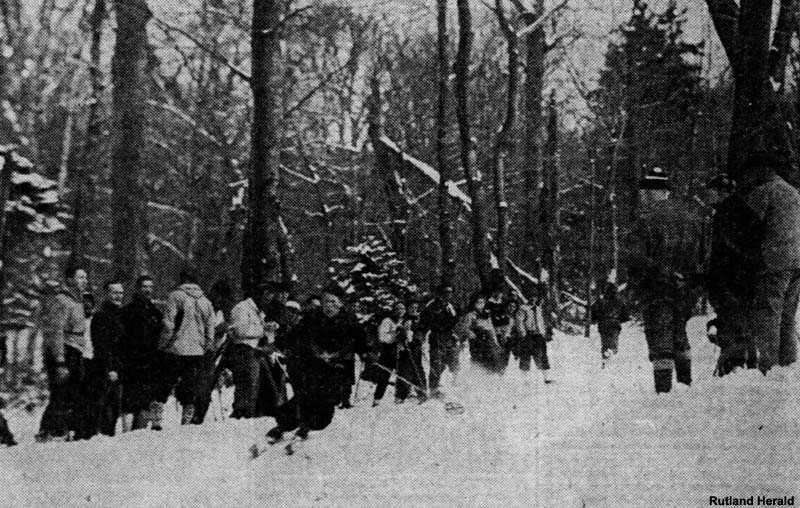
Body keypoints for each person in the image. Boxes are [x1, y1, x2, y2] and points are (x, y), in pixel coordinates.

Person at [626, 167, 705, 393]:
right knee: (680, 333)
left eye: (643, 193)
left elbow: (636, 258)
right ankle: (686, 386)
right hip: (686, 290)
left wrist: (646, 281)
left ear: (650, 193)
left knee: (660, 337)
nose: (641, 197)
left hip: (657, 289)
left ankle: (664, 393)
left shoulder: (645, 222)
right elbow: (702, 256)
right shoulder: (691, 219)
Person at [266, 283, 364, 442]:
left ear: (340, 303)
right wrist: (276, 340)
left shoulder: (350, 322)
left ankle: (307, 427)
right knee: (304, 396)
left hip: (337, 369)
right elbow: (295, 337)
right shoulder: (313, 318)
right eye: (325, 301)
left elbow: (361, 343)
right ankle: (282, 427)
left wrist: (369, 354)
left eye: (333, 302)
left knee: (326, 402)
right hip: (314, 366)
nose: (328, 306)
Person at [739, 149, 800, 373]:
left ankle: (769, 368)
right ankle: (788, 365)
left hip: (773, 263)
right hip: (796, 263)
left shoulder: (764, 192)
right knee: (788, 317)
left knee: (768, 317)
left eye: (751, 172)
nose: (748, 177)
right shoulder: (794, 192)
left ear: (761, 171)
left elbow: (747, 227)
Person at [705, 173, 760, 376]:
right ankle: (750, 363)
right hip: (745, 276)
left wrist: (716, 279)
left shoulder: (724, 213)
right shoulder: (745, 209)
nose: (708, 196)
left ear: (721, 192)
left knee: (731, 322)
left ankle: (732, 367)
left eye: (710, 192)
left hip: (729, 278)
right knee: (744, 322)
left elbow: (722, 250)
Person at [155, 269, 216, 425]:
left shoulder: (175, 296)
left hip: (176, 348)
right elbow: (211, 328)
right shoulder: (206, 302)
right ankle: (186, 418)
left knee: (165, 382)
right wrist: (207, 346)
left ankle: (157, 418)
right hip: (197, 350)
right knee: (190, 384)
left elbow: (169, 324)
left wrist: (162, 345)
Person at [37, 265, 90, 441]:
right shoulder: (62, 300)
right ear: (69, 280)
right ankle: (49, 431)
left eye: (85, 278)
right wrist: (60, 360)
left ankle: (65, 429)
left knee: (73, 392)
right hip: (65, 349)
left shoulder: (79, 300)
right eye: (80, 277)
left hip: (76, 348)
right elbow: (56, 331)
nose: (84, 281)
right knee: (61, 391)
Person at [119, 275, 164, 430]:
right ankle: (127, 433)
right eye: (145, 286)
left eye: (150, 287)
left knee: (146, 400)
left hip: (151, 363)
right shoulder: (127, 312)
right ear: (137, 288)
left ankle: (141, 433)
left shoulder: (156, 313)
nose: (148, 290)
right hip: (132, 362)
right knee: (130, 400)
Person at [192, 278, 235, 424]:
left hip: (212, 357)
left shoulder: (220, 312)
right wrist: (217, 331)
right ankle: (193, 421)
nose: (220, 301)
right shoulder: (202, 309)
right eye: (218, 297)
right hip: (199, 357)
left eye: (223, 298)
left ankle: (198, 420)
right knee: (199, 392)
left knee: (205, 392)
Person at [90, 280, 125, 436]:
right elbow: (101, 345)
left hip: (119, 366)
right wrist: (110, 368)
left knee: (115, 407)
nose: (118, 296)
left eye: (121, 293)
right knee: (106, 407)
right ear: (106, 294)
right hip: (106, 368)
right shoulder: (101, 315)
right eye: (115, 293)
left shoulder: (120, 314)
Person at [418, 285, 460, 397]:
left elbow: (455, 321)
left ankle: (455, 385)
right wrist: (420, 336)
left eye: (450, 292)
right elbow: (424, 323)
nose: (448, 294)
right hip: (437, 337)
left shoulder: (450, 306)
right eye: (446, 292)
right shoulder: (432, 306)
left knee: (453, 362)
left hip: (449, 338)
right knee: (437, 364)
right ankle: (433, 389)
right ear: (440, 293)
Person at [507, 293, 551, 383]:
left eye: (535, 297)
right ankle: (525, 379)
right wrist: (523, 334)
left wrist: (543, 332)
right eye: (531, 297)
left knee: (542, 355)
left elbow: (541, 321)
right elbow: (520, 322)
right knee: (525, 356)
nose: (533, 299)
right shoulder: (523, 309)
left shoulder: (538, 309)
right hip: (528, 335)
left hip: (538, 335)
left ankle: (545, 378)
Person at [371, 301, 408, 406]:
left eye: (402, 309)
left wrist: (405, 336)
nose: (400, 311)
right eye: (397, 309)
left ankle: (399, 397)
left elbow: (409, 335)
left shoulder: (405, 321)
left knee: (402, 374)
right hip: (388, 352)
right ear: (394, 310)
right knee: (384, 375)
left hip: (401, 351)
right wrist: (394, 336)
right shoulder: (387, 321)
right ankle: (377, 398)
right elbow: (382, 337)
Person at [458, 292, 502, 374]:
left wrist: (495, 341)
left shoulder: (486, 315)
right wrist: (471, 334)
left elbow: (491, 328)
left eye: (482, 303)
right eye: (478, 303)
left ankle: (490, 376)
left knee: (491, 358)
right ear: (474, 303)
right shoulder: (470, 315)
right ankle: (476, 376)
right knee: (477, 359)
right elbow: (465, 328)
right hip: (477, 341)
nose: (480, 305)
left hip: (488, 340)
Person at [591, 282, 630, 364]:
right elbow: (626, 316)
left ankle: (605, 361)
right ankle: (611, 356)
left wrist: (597, 319)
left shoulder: (600, 302)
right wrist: (619, 320)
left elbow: (593, 314)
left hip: (603, 325)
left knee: (605, 344)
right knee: (613, 344)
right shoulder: (620, 302)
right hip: (615, 325)